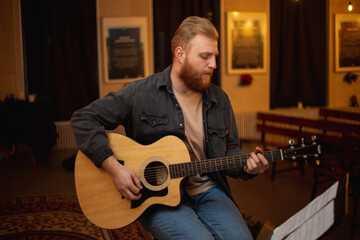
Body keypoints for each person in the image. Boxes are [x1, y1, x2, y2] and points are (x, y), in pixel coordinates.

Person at [71, 16, 269, 240]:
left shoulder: (219, 99)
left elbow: (230, 152)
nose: (213, 64)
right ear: (180, 54)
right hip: (155, 196)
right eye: (205, 56)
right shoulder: (141, 93)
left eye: (214, 57)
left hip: (208, 190)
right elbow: (83, 119)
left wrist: (248, 167)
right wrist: (114, 168)